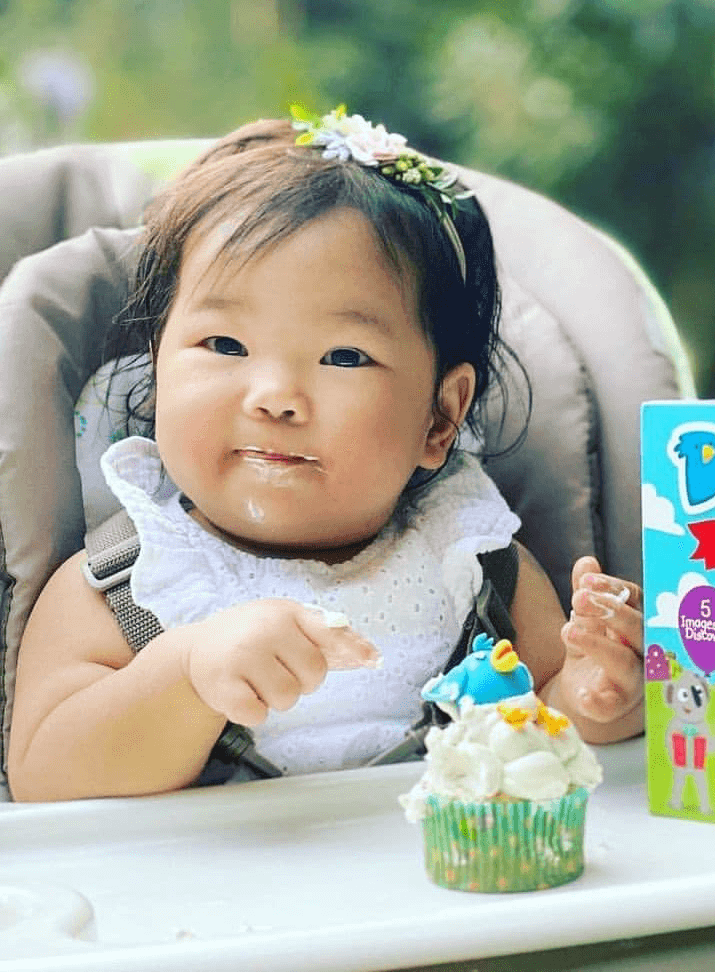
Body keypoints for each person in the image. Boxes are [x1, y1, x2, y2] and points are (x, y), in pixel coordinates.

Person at [7, 108, 644, 801]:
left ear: (440, 417)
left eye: (344, 356)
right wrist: (187, 675)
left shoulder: (477, 564)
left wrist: (598, 695)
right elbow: (44, 775)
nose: (276, 396)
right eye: (225, 346)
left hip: (443, 894)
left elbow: (547, 725)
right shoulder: (122, 582)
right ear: (157, 371)